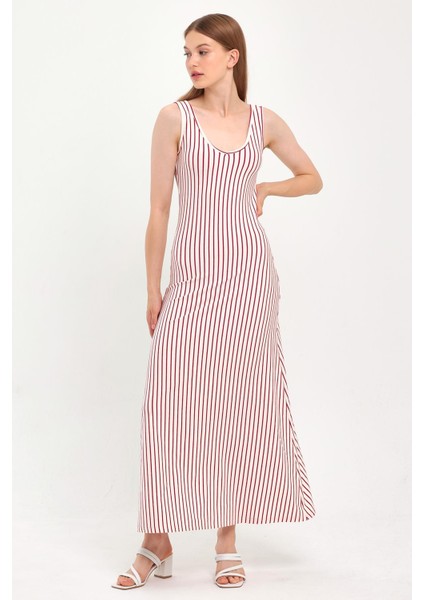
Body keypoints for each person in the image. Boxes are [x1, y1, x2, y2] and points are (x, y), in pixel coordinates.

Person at [112, 12, 323, 591]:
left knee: (239, 404)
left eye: (202, 51)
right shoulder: (174, 118)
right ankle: (157, 539)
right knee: (170, 406)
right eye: (186, 53)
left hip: (250, 281)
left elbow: (312, 177)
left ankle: (226, 541)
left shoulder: (264, 122)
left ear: (232, 56)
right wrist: (153, 289)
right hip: (192, 281)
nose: (192, 62)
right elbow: (159, 210)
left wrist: (268, 187)